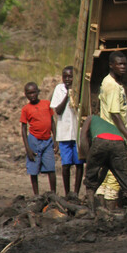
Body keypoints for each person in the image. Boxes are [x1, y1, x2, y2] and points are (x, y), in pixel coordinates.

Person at [85, 51, 127, 211]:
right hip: (114, 137)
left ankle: (99, 211)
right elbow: (115, 114)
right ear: (111, 65)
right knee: (118, 179)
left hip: (103, 137)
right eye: (119, 64)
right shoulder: (113, 86)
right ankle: (110, 212)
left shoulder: (107, 82)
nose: (123, 67)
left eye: (125, 64)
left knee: (103, 177)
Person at [81, 114, 127, 217]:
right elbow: (104, 170)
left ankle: (91, 212)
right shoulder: (110, 127)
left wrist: (88, 161)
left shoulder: (90, 118)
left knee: (90, 179)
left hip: (100, 142)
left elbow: (83, 139)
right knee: (126, 181)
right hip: (119, 144)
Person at [50, 66, 84, 199]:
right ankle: (67, 192)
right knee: (66, 165)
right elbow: (58, 111)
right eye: (65, 77)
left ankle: (76, 192)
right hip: (63, 134)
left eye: (70, 77)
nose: (68, 79)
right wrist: (67, 95)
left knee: (79, 163)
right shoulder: (59, 89)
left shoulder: (80, 90)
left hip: (77, 134)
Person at [20, 82, 58, 195]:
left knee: (51, 168)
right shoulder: (26, 109)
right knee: (33, 169)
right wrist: (28, 148)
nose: (32, 95)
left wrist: (56, 140)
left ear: (38, 92)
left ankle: (53, 193)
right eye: (29, 93)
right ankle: (36, 194)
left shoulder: (46, 104)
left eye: (34, 92)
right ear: (25, 94)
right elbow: (23, 129)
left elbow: (52, 122)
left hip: (47, 140)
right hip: (34, 141)